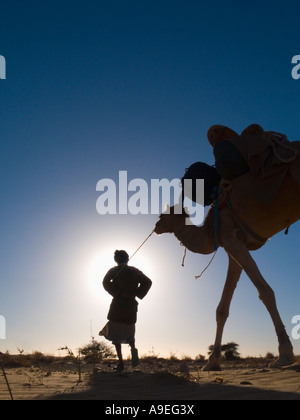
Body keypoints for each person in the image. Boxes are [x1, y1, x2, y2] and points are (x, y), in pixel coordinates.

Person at [99, 250, 152, 372]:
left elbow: (105, 282)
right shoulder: (135, 271)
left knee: (116, 335)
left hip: (118, 305)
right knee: (130, 334)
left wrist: (118, 293)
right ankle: (135, 363)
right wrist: (137, 293)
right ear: (127, 259)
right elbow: (148, 282)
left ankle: (121, 364)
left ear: (116, 260)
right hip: (131, 306)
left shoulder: (113, 271)